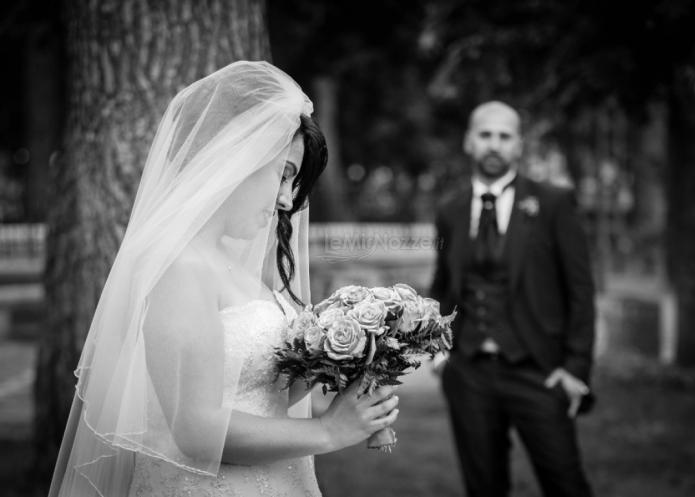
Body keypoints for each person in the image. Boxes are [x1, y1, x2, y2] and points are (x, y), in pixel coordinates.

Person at [48, 61, 399, 497]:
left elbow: (258, 395)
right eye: (285, 175)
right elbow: (196, 430)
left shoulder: (241, 271)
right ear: (239, 158)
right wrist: (329, 432)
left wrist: (335, 359)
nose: (288, 201)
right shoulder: (181, 269)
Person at [431, 101, 595, 497]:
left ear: (519, 145)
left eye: (505, 136)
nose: (494, 144)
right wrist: (438, 351)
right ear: (470, 142)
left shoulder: (554, 203)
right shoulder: (450, 210)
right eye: (485, 134)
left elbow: (580, 290)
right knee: (483, 487)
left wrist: (575, 369)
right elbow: (443, 284)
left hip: (538, 370)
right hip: (468, 373)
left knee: (566, 484)